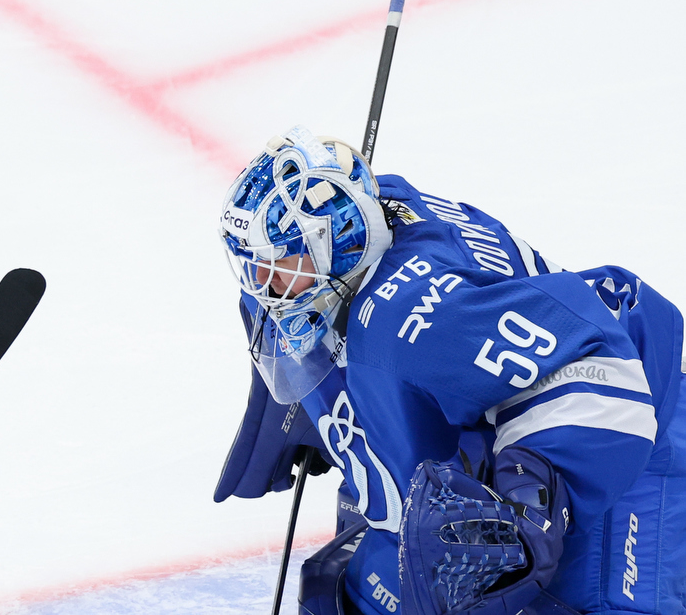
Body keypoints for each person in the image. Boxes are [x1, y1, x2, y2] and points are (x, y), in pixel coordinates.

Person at [214, 126, 686, 615]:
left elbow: (595, 369)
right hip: (490, 447)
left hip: (623, 446)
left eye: (280, 261)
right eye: (255, 265)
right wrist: (321, 400)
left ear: (336, 241)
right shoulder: (370, 219)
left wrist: (532, 499)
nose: (264, 285)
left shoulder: (413, 318)